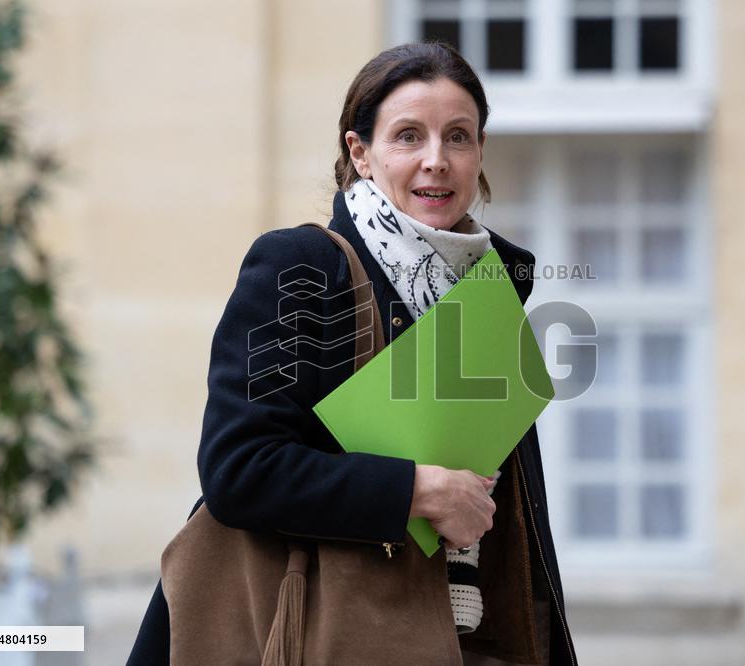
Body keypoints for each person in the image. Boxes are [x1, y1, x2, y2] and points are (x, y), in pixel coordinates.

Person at [128, 41, 576, 665]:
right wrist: (415, 492)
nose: (436, 161)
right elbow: (239, 468)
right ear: (359, 153)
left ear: (479, 154)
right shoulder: (302, 266)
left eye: (458, 137)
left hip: (458, 638)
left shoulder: (491, 290)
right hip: (320, 634)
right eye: (408, 136)